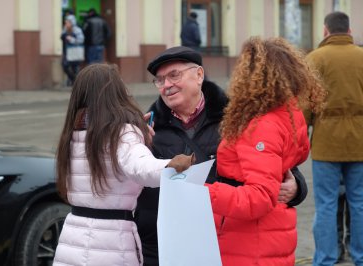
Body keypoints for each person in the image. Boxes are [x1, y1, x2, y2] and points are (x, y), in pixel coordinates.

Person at [135, 45, 310, 265]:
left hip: (219, 241)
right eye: (160, 80)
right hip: (162, 244)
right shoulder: (148, 128)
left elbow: (277, 166)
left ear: (199, 75)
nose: (167, 85)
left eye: (174, 75)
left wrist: (297, 188)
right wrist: (131, 143)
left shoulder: (236, 118)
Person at [52, 63, 194, 266]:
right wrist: (174, 165)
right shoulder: (122, 134)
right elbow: (142, 168)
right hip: (112, 245)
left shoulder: (72, 136)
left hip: (71, 241)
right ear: (115, 94)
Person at [205, 37, 326, 265]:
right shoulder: (289, 114)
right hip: (270, 234)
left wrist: (204, 194)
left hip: (251, 241)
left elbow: (259, 197)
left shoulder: (261, 125)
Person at [305, 11, 363, 266]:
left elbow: (304, 106)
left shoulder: (315, 59)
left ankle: (326, 258)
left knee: (326, 204)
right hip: (360, 142)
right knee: (359, 202)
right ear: (349, 32)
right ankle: (360, 256)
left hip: (326, 143)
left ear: (326, 31)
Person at [60, 15, 84, 86]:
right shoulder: (65, 29)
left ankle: (77, 82)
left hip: (74, 51)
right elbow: (61, 37)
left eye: (67, 22)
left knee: (75, 67)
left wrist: (72, 39)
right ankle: (73, 79)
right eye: (66, 22)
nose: (66, 23)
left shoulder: (77, 30)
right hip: (66, 51)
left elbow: (81, 40)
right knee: (65, 65)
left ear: (72, 22)